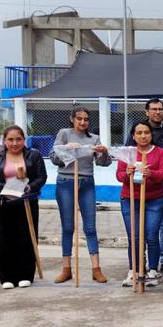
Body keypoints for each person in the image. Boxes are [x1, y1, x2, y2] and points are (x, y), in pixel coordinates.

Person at [49, 106, 111, 284]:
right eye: (79, 119)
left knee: (90, 227)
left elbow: (102, 163)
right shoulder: (64, 134)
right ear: (72, 119)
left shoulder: (93, 138)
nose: (83, 122)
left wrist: (103, 152)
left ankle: (96, 269)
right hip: (66, 182)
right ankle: (66, 269)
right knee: (68, 227)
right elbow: (54, 157)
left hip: (87, 182)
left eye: (86, 119)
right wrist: (66, 149)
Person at [0, 125, 47, 289]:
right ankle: (7, 277)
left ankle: (25, 275)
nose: (15, 143)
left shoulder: (34, 155)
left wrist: (29, 187)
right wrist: (4, 188)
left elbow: (42, 176)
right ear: (4, 141)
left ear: (24, 140)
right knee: (5, 239)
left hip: (27, 202)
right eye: (10, 139)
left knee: (26, 238)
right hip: (3, 203)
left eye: (18, 139)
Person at [125, 98, 163, 276]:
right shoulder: (137, 130)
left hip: (162, 185)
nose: (157, 112)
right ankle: (140, 261)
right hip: (137, 185)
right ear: (146, 111)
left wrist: (162, 172)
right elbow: (128, 155)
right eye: (153, 109)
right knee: (141, 228)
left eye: (160, 109)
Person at [116, 120, 163, 288]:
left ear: (151, 134)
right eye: (139, 133)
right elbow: (119, 175)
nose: (143, 136)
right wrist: (127, 174)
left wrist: (151, 173)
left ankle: (152, 270)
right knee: (134, 237)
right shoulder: (127, 153)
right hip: (130, 199)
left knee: (152, 236)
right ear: (133, 136)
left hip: (154, 199)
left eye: (146, 132)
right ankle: (135, 270)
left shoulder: (160, 152)